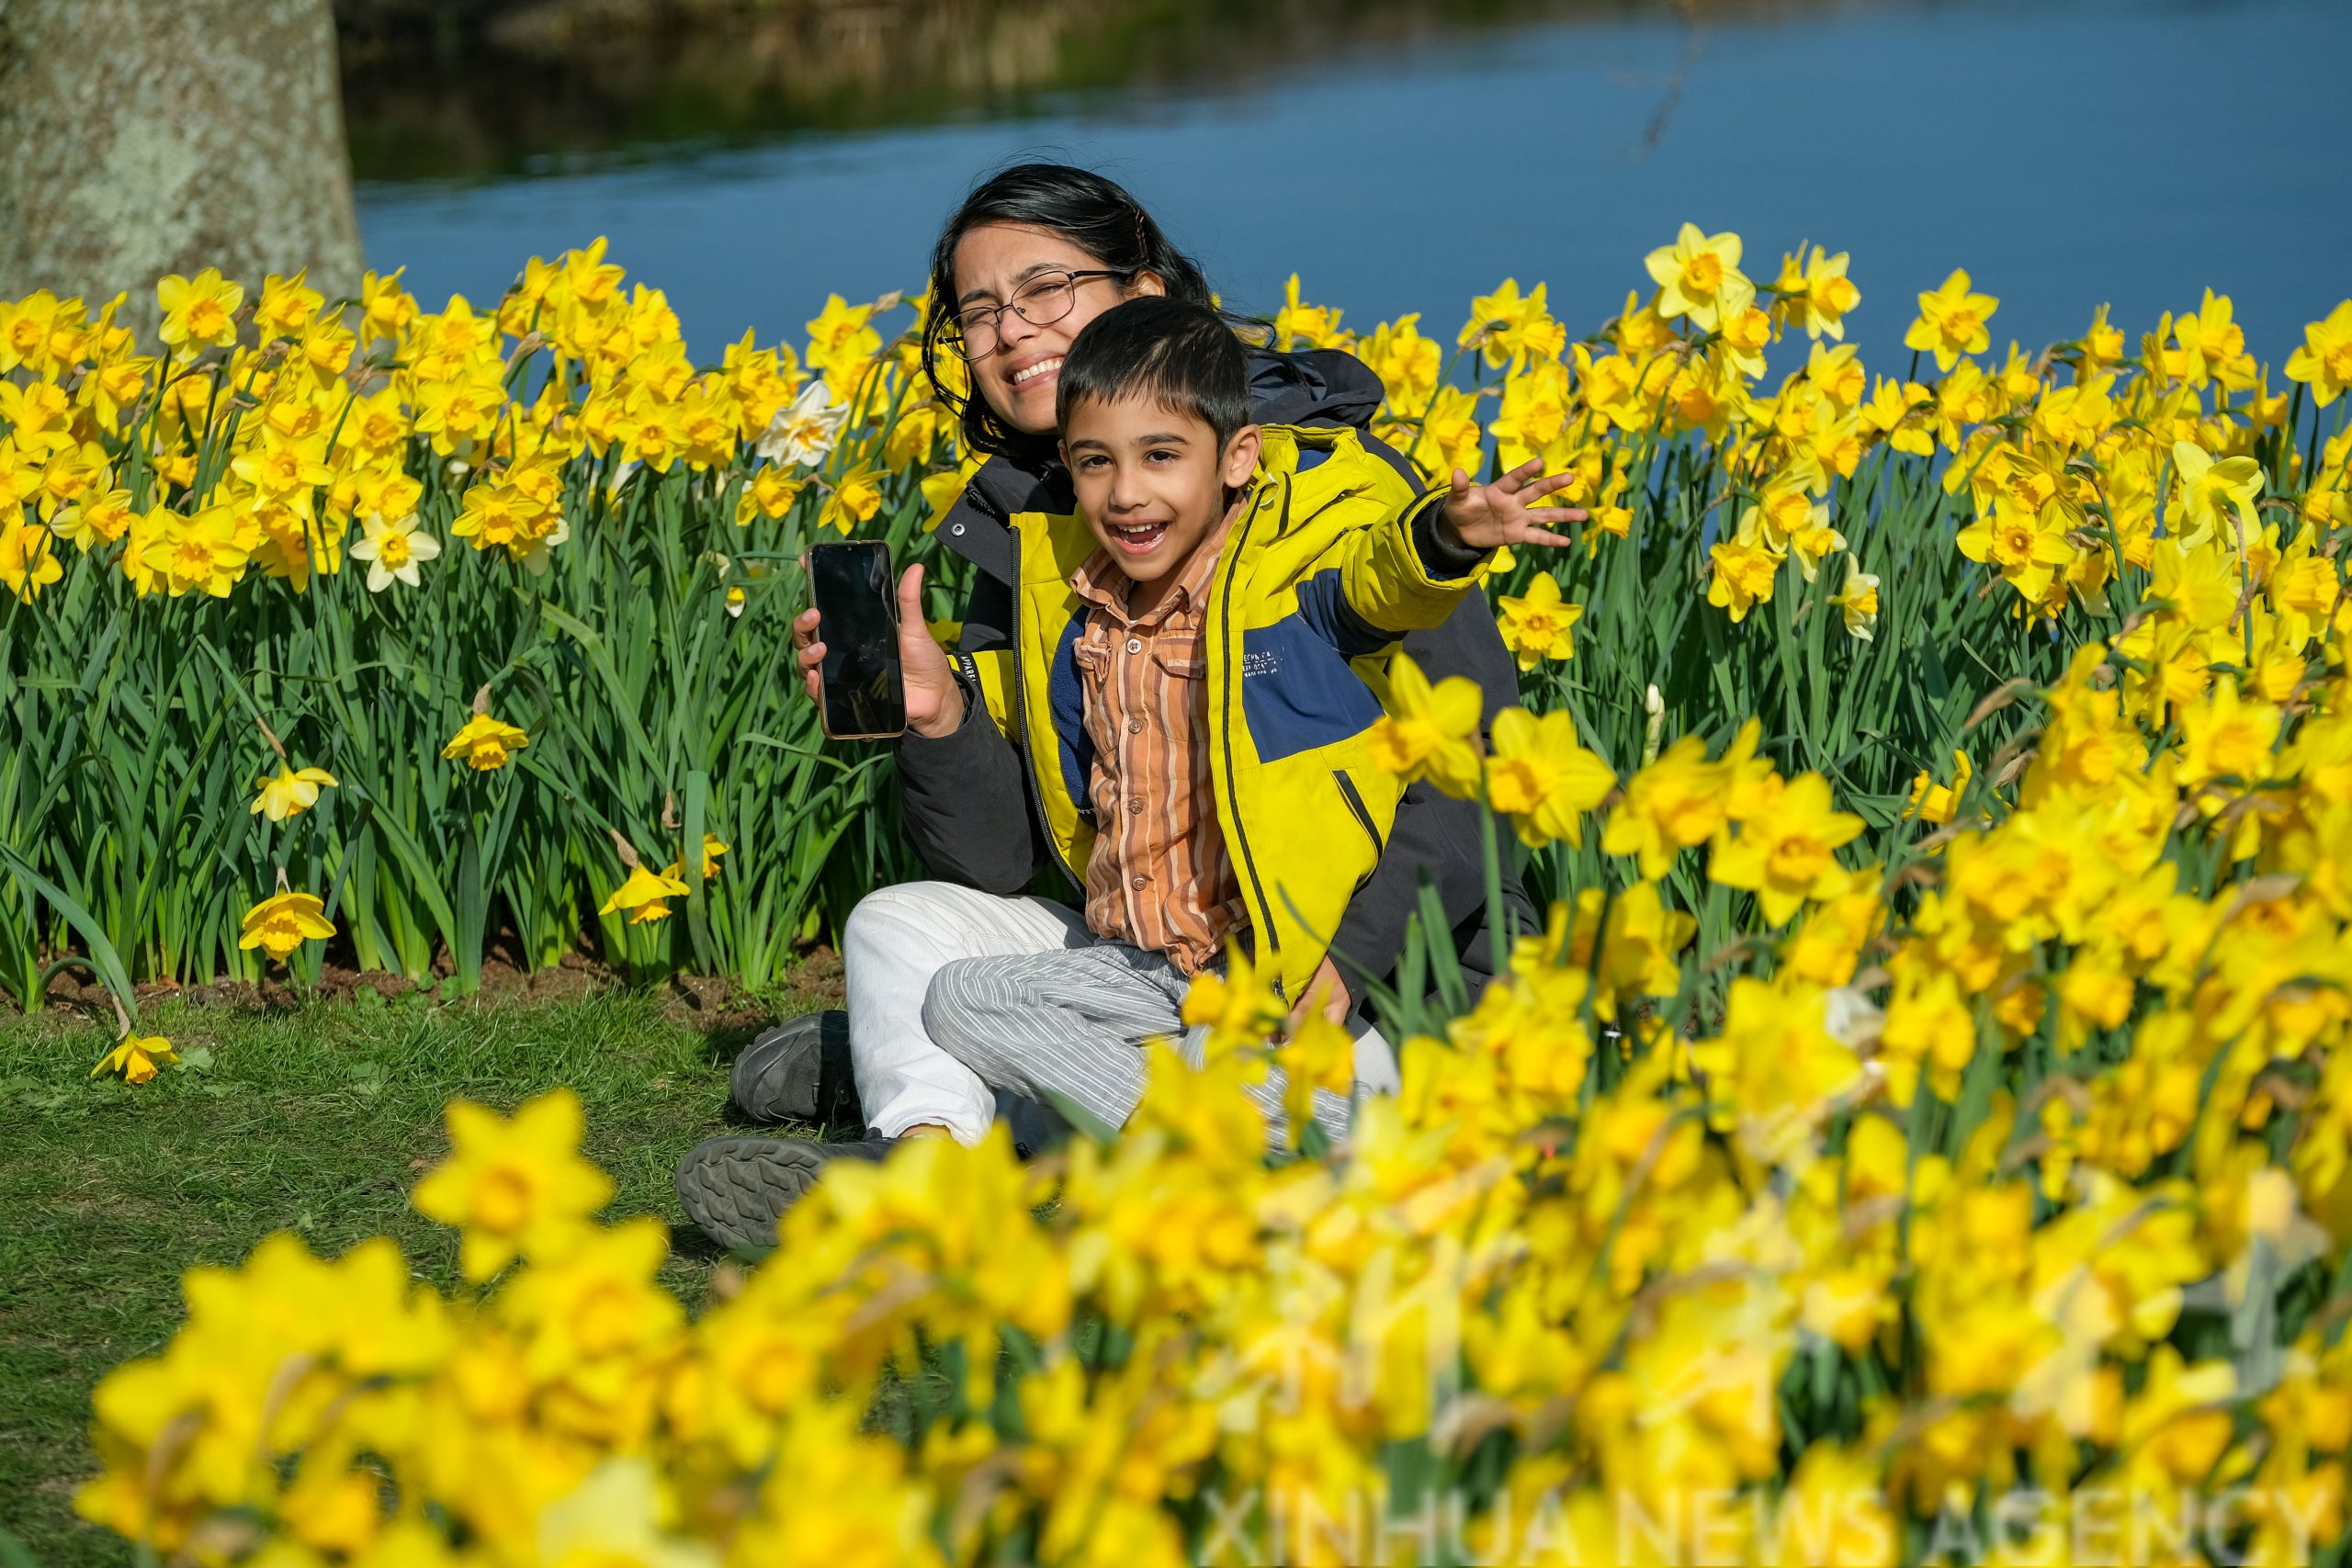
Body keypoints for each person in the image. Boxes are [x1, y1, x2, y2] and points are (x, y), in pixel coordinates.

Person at [674, 291, 1577, 1251]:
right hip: (1149, 973)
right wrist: (937, 712)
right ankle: (965, 1159)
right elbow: (994, 843)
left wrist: (1444, 536)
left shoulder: (1290, 584)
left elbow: (1378, 589)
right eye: (1095, 461)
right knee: (949, 989)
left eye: (1160, 457)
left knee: (1196, 1060)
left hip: (1282, 991)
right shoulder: (1059, 588)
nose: (1126, 493)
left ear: (1237, 458)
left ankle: (1258, 1156)